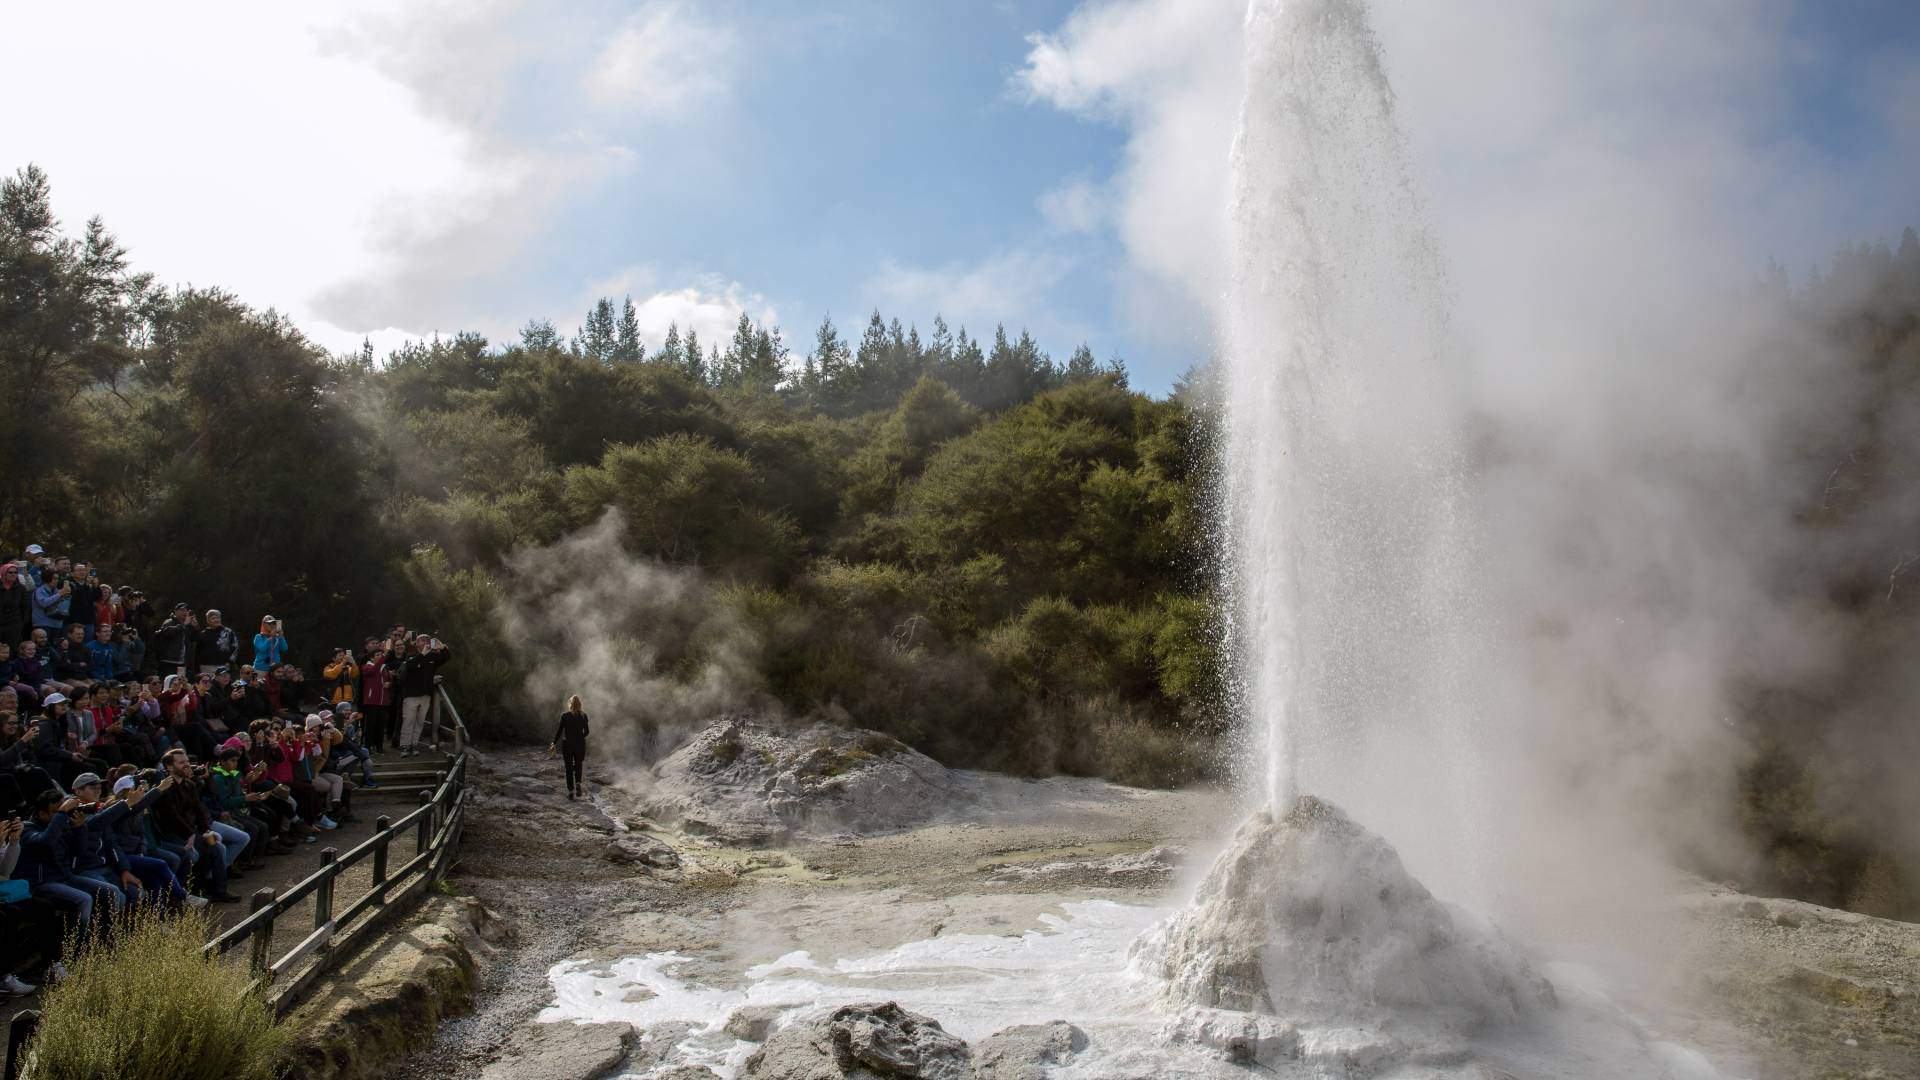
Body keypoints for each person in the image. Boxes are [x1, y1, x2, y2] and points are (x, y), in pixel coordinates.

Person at [394, 635, 451, 757]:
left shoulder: (432, 657)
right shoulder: (411, 655)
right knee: (408, 721)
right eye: (422, 641)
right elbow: (410, 666)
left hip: (426, 695)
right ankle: (405, 746)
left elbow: (446, 657)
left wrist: (443, 647)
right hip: (411, 695)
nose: (425, 643)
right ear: (417, 644)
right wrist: (422, 654)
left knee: (419, 722)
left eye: (427, 640)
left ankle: (414, 745)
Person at [550, 695, 590, 800]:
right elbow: (587, 732)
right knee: (578, 765)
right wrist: (580, 737)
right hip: (580, 744)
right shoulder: (584, 716)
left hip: (567, 744)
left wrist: (553, 743)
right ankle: (577, 782)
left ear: (570, 704)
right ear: (580, 704)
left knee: (568, 768)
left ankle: (571, 791)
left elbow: (559, 731)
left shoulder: (565, 716)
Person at [152, 603, 196, 677]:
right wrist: (183, 625)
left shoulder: (188, 625)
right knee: (169, 682)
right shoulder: (169, 622)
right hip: (169, 661)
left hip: (182, 662)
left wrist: (195, 627)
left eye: (186, 610)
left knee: (181, 683)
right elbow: (167, 632)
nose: (184, 612)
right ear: (175, 611)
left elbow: (195, 638)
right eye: (182, 610)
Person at [196, 609, 239, 676]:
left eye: (218, 617)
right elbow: (198, 651)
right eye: (213, 618)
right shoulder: (203, 634)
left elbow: (236, 647)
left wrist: (230, 661)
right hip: (206, 667)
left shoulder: (228, 632)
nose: (216, 620)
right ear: (208, 620)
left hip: (223, 666)